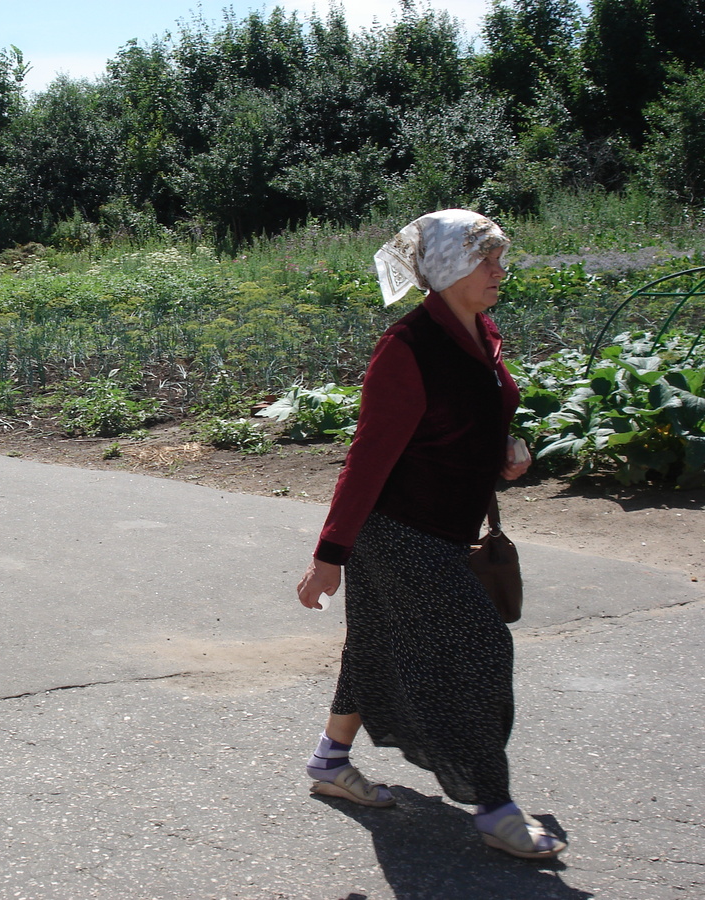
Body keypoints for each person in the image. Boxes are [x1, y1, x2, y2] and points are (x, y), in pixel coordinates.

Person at [295, 209, 566, 860]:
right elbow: (367, 460)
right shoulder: (408, 350)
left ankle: (330, 762)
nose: (501, 270)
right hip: (400, 533)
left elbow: (471, 416)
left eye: (501, 257)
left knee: (374, 646)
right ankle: (493, 806)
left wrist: (505, 447)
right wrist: (329, 557)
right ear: (448, 269)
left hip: (446, 526)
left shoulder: (479, 331)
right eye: (488, 259)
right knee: (481, 653)